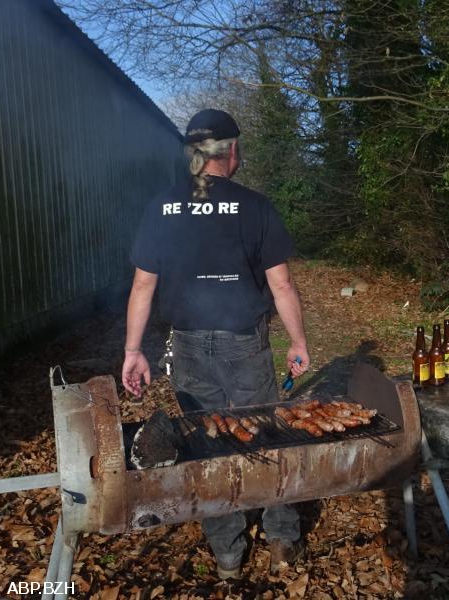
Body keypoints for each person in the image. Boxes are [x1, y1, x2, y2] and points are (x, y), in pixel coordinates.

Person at [121, 108, 310, 579]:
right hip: (244, 344)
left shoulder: (161, 206)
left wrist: (132, 350)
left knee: (205, 444)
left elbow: (142, 286)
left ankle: (227, 551)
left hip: (186, 345)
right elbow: (282, 285)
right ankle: (282, 539)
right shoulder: (255, 206)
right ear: (232, 152)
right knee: (266, 435)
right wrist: (298, 342)